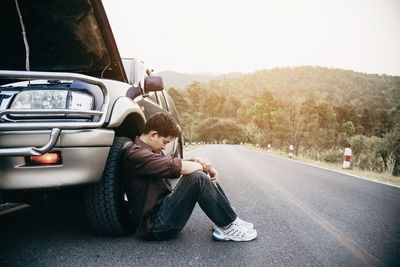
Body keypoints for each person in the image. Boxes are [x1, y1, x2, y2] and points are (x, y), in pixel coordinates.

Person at [123, 112, 257, 241]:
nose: (165, 147)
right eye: (165, 142)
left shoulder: (151, 152)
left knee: (198, 172)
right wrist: (206, 168)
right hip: (155, 225)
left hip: (164, 210)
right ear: (154, 134)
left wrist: (199, 161)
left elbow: (173, 161)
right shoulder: (136, 155)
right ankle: (228, 226)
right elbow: (175, 166)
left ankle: (228, 219)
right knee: (197, 178)